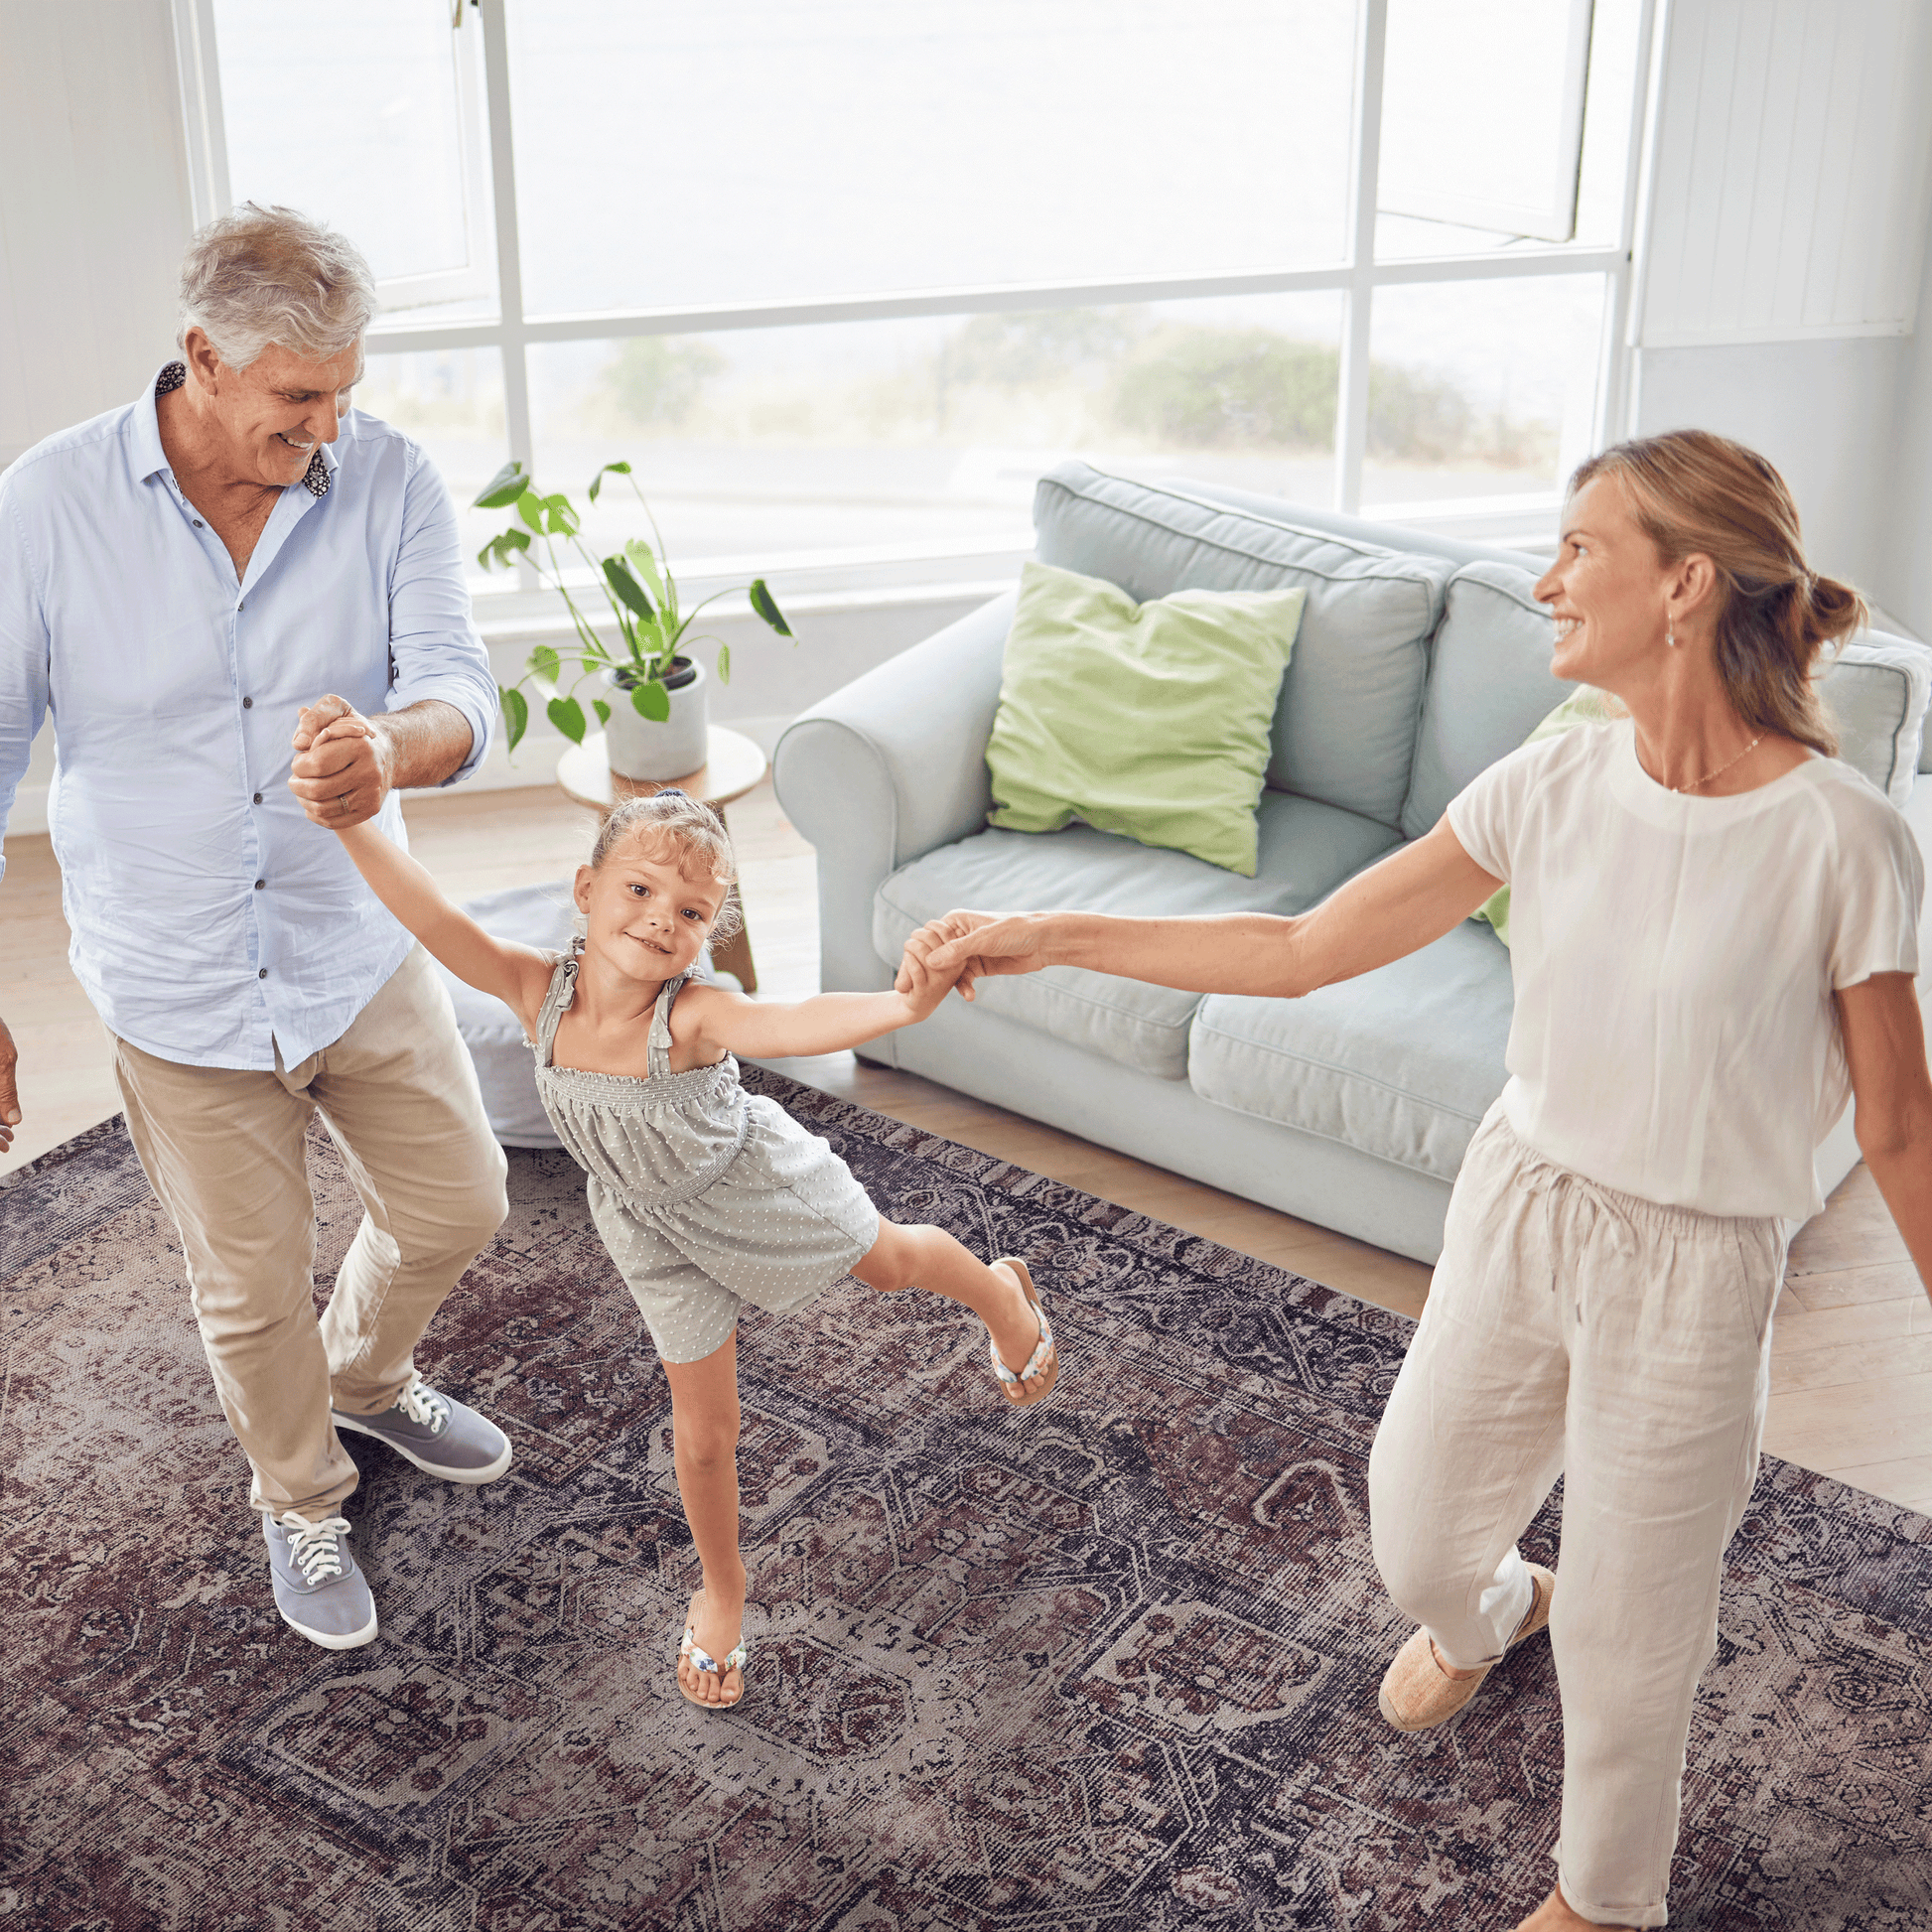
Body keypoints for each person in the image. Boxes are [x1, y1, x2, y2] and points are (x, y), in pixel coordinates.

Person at [899, 430, 1931, 1930]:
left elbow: (1897, 1124)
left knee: (1636, 1642)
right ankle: (1497, 1606)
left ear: (1683, 584)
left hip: (1695, 1269)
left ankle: (1603, 1900)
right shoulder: (1554, 774)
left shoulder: (1843, 839)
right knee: (1417, 1531)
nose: (1545, 578)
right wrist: (1040, 928)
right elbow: (1302, 947)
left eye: (1581, 547)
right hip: (1518, 1208)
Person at [0, 206, 514, 1653]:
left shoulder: (389, 477)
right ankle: (300, 1491)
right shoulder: (44, 504)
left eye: (343, 391)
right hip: (170, 973)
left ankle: (368, 1371)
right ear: (202, 359)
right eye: (300, 397)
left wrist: (396, 750)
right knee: (246, 1286)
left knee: (459, 1202)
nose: (328, 425)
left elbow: (461, 688)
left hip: (355, 939)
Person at [313, 770, 1062, 1710]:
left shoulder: (693, 1014)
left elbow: (790, 1022)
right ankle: (724, 1589)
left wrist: (904, 1008)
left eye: (692, 910)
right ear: (584, 891)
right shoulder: (535, 989)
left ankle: (999, 1295)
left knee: (894, 1264)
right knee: (705, 1440)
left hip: (757, 1189)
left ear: (708, 934)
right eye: (639, 890)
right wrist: (350, 823)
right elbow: (430, 918)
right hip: (652, 1228)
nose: (662, 919)